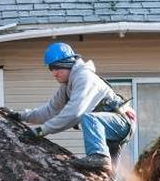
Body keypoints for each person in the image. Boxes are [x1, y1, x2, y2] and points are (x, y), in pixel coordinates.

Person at [9, 42, 136, 173]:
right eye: (51, 69)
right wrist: (21, 116)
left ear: (68, 64)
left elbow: (75, 113)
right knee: (107, 177)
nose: (54, 73)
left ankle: (99, 156)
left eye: (57, 68)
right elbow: (50, 110)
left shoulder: (84, 78)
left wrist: (40, 131)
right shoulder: (66, 86)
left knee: (88, 118)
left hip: (121, 122)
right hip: (108, 130)